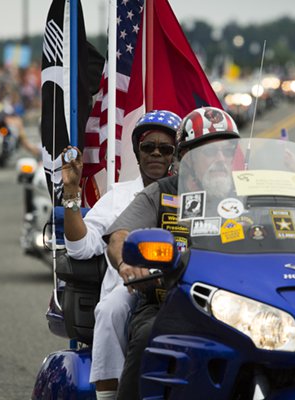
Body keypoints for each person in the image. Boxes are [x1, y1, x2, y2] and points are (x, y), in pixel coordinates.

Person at [105, 106, 240, 399]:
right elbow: (120, 236)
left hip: (239, 305)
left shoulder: (247, 195)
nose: (220, 160)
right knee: (147, 337)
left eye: (226, 152)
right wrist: (127, 262)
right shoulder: (161, 193)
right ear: (185, 158)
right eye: (209, 153)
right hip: (169, 303)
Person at [60, 109, 181, 400]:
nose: (156, 154)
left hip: (183, 286)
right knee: (110, 308)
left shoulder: (194, 193)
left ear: (177, 154)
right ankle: (109, 396)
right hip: (131, 289)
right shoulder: (118, 195)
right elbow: (80, 246)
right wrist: (71, 193)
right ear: (137, 153)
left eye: (165, 149)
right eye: (147, 147)